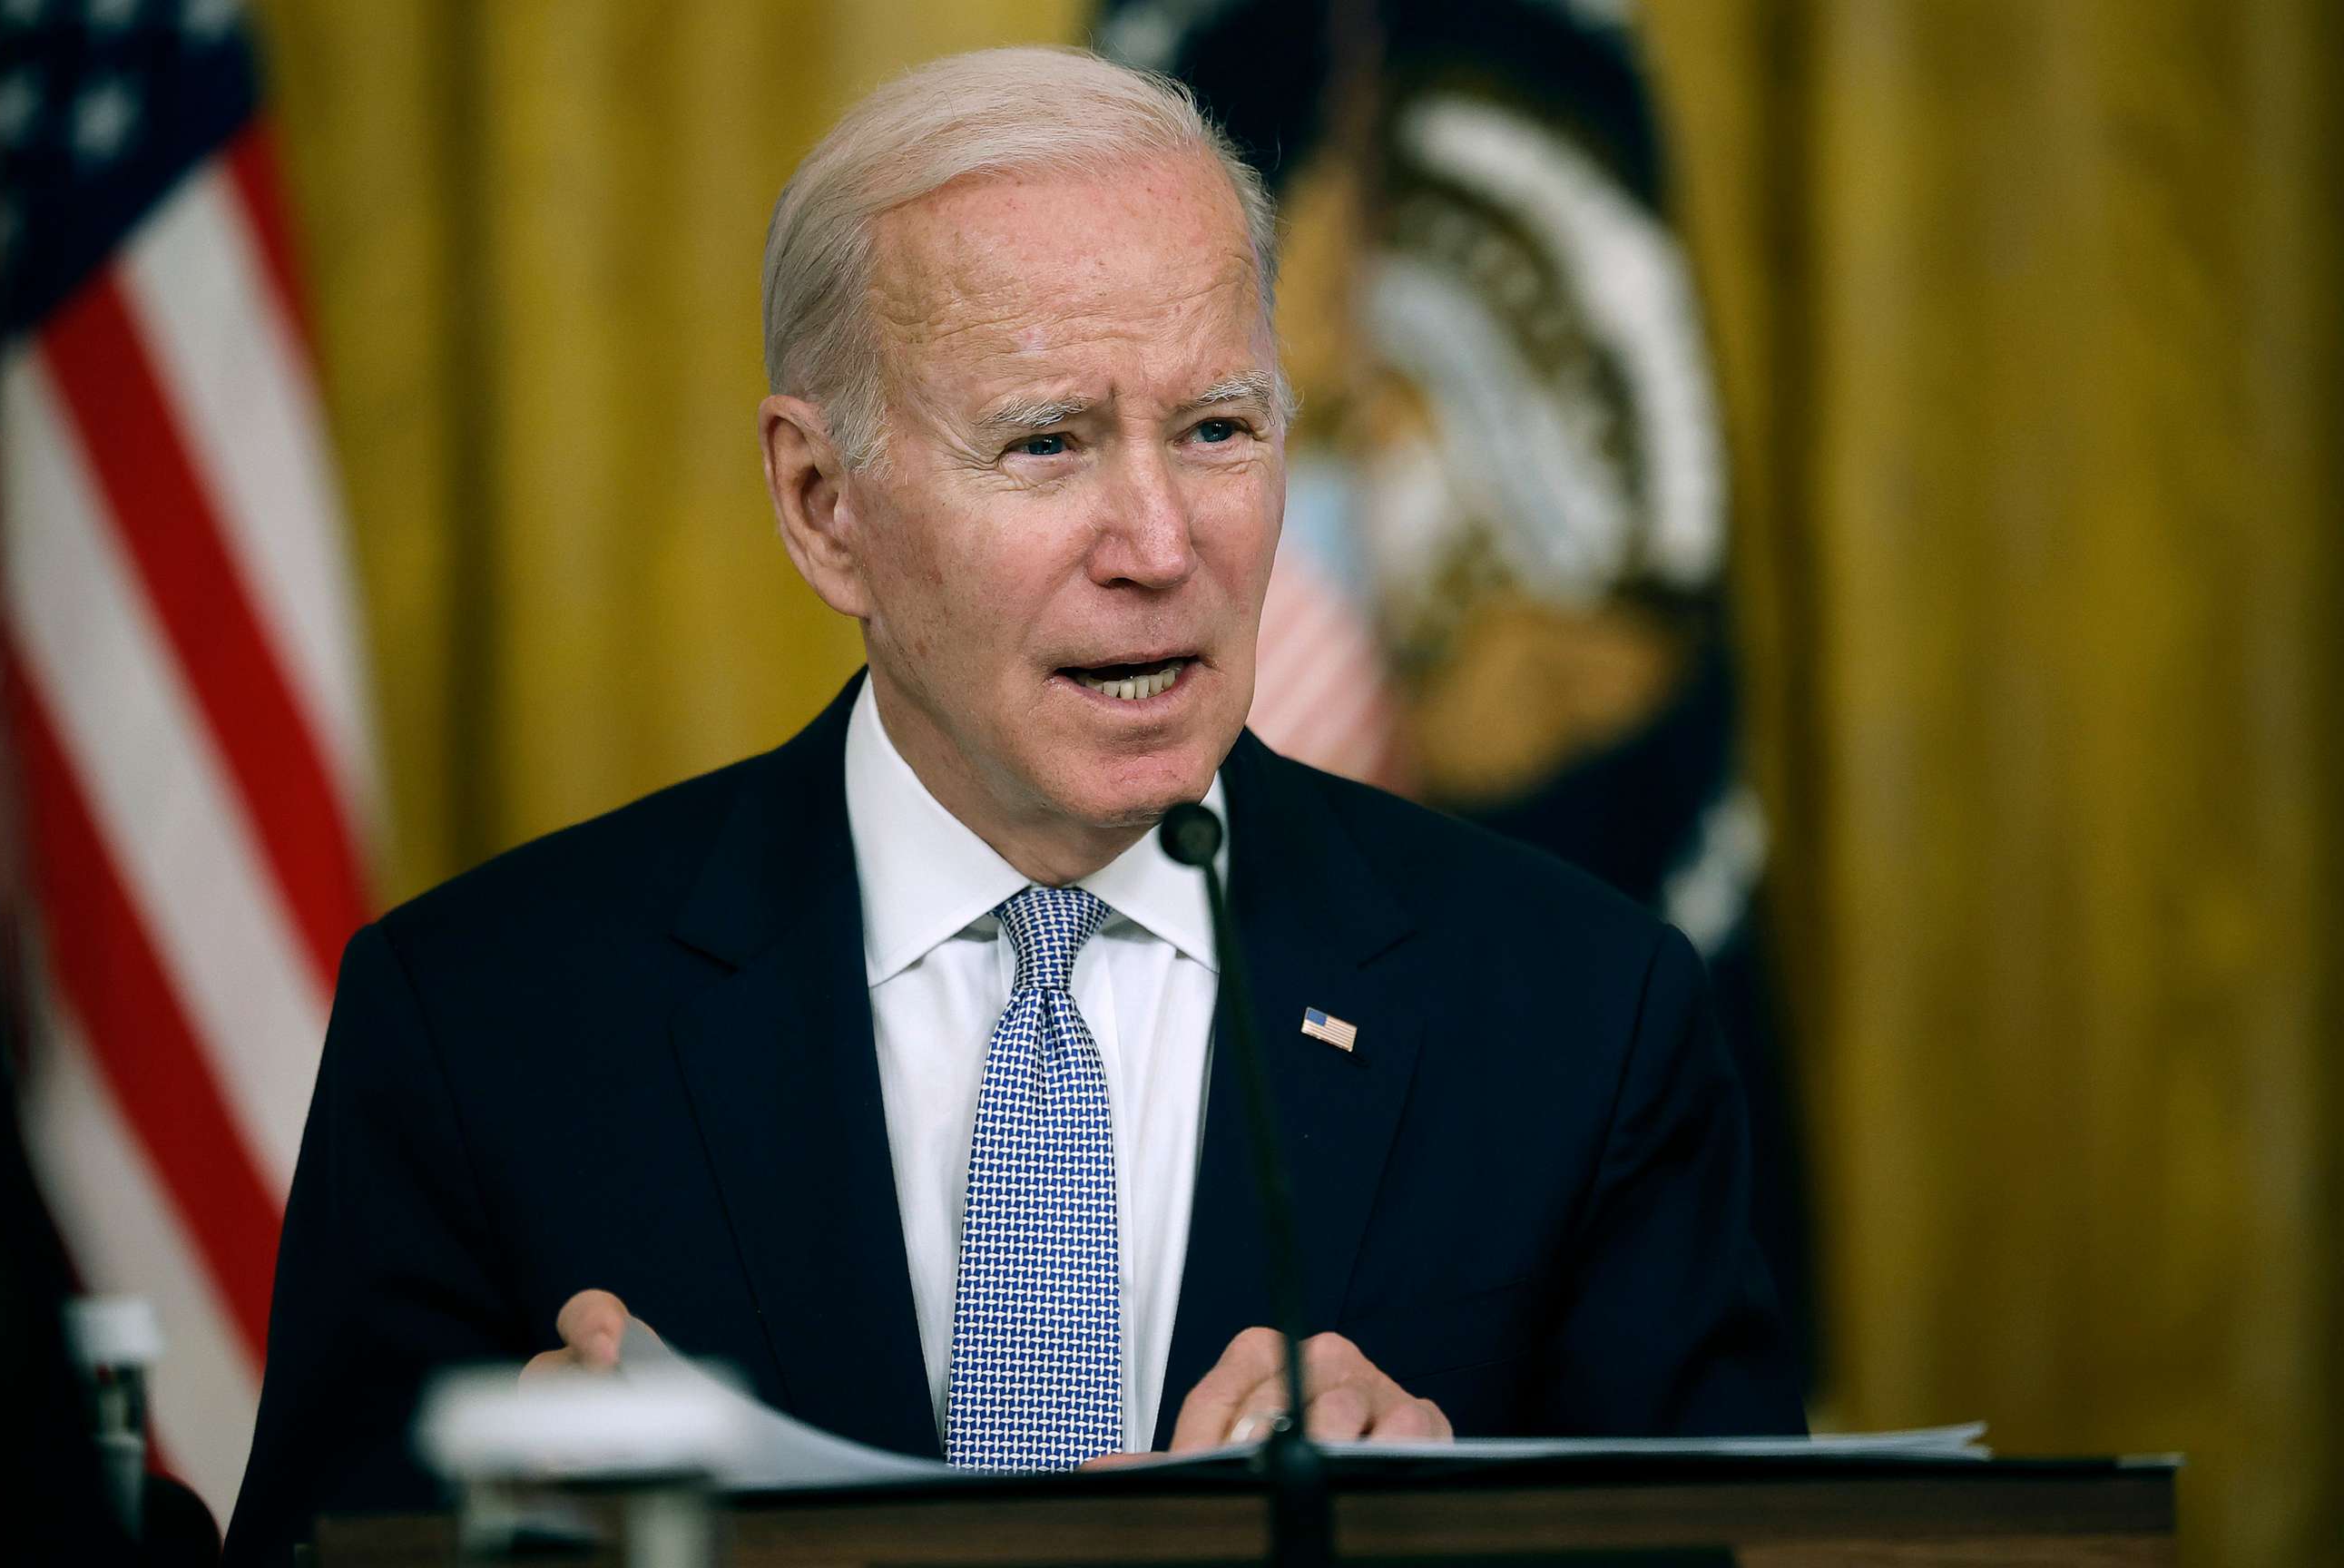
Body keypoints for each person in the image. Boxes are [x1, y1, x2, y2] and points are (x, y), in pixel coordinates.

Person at [222, 44, 1801, 1566]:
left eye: (1216, 432)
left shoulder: (1584, 1019)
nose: (1158, 544)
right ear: (822, 505)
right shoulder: (487, 1024)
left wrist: (1454, 1555)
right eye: (1046, 443)